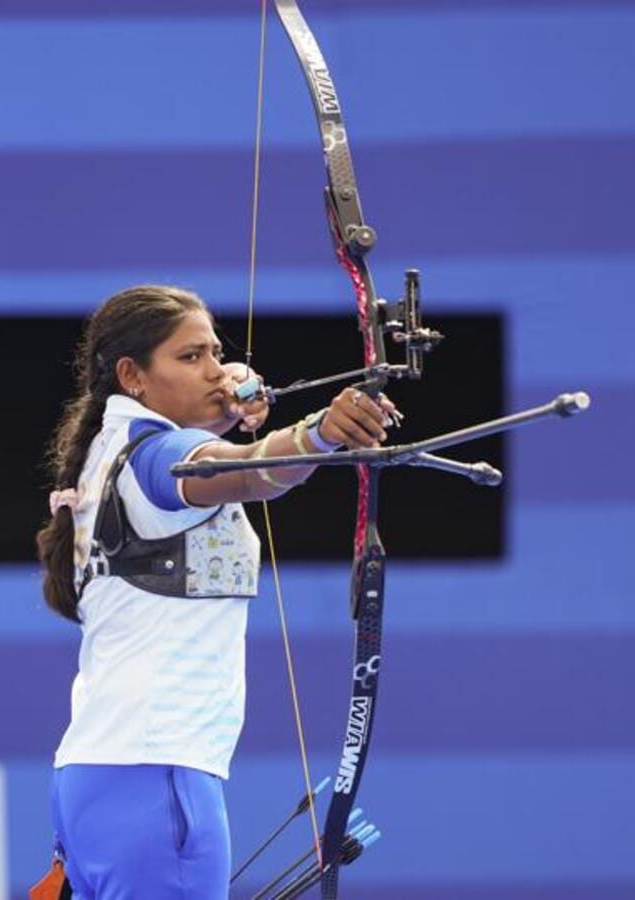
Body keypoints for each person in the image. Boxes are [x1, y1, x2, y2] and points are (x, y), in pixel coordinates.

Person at [35, 284, 396, 899]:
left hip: (97, 780)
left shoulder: (109, 450)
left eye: (214, 352)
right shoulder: (158, 457)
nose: (216, 372)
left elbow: (223, 454)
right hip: (158, 776)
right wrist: (321, 434)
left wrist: (227, 415)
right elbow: (252, 470)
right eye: (190, 357)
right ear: (133, 376)